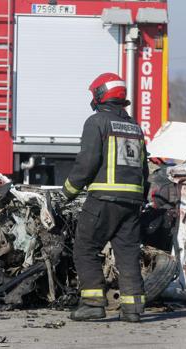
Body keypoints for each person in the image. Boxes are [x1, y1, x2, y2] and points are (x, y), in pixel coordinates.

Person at [62, 73, 148, 323]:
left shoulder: (96, 122)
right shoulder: (135, 127)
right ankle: (133, 309)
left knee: (85, 248)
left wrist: (68, 191)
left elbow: (86, 163)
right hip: (131, 203)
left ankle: (92, 304)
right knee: (128, 253)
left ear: (100, 95)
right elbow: (144, 169)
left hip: (103, 200)